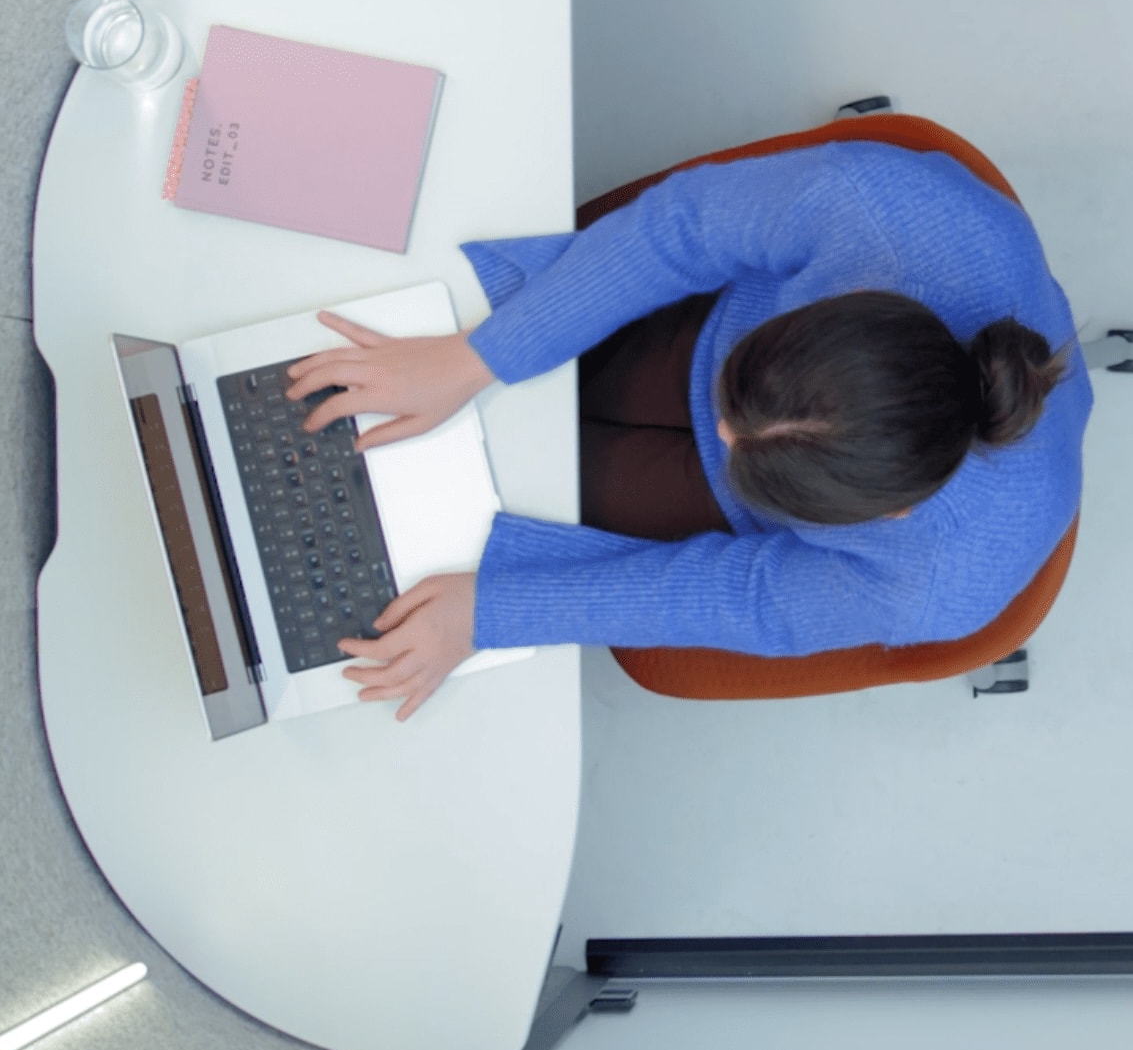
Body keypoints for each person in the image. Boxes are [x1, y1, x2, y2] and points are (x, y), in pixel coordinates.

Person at [280, 140, 1091, 718]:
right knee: (420, 323)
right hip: (710, 330)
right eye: (737, 408)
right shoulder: (885, 214)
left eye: (744, 446)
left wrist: (490, 615)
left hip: (744, 514)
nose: (719, 430)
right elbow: (685, 229)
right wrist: (477, 358)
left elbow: (744, 599)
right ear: (838, 308)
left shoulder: (939, 579)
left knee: (428, 539)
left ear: (890, 515)